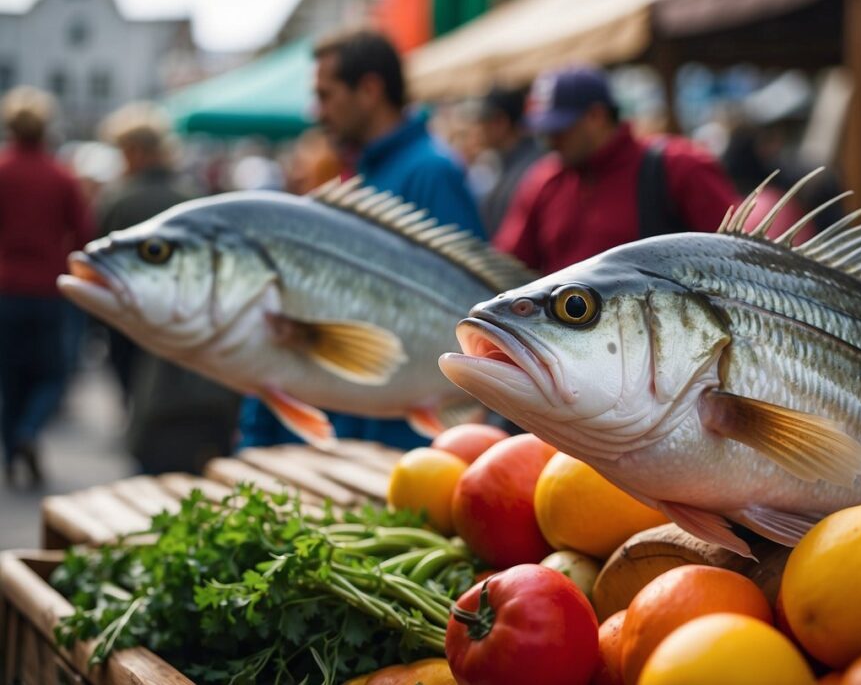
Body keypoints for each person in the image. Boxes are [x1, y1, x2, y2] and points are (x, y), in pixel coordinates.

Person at [238, 29, 485, 451]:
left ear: (369, 90)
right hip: (363, 431)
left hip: (402, 440)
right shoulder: (370, 172)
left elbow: (466, 312)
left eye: (326, 94)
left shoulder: (431, 172)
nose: (317, 110)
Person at [95, 103, 240, 474]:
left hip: (126, 318)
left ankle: (144, 434)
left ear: (137, 151)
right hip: (182, 317)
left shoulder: (120, 199)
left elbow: (96, 261)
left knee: (136, 387)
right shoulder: (187, 195)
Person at [494, 66, 739, 274]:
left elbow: (735, 258)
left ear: (596, 116)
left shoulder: (677, 166)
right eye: (545, 132)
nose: (550, 141)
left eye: (560, 130)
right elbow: (507, 268)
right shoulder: (544, 180)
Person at [0, 86, 93, 487]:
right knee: (52, 374)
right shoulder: (61, 175)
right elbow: (84, 232)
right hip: (48, 288)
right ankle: (30, 431)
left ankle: (12, 451)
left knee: (9, 377)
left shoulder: (3, 171)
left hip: (5, 288)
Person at [472, 87, 545, 238]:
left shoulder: (529, 170)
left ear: (500, 121)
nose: (479, 128)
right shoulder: (517, 164)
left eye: (483, 121)